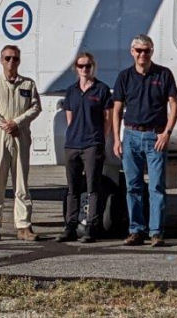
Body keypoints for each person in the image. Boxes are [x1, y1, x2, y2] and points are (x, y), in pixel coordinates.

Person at [112, 34, 177, 247]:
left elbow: (174, 105)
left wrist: (167, 132)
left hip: (155, 137)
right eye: (139, 50)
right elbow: (116, 110)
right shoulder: (124, 76)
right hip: (131, 135)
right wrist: (117, 138)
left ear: (152, 51)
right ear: (132, 52)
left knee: (156, 186)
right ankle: (136, 230)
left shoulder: (163, 74)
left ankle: (156, 232)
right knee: (133, 186)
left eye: (146, 50)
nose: (142, 54)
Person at [0, 45, 42, 242]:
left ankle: (24, 226)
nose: (11, 62)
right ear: (1, 60)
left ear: (19, 61)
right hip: (0, 135)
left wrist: (17, 122)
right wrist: (4, 124)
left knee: (21, 182)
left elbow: (35, 107)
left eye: (14, 59)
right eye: (7, 58)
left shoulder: (28, 84)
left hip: (20, 135)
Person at [58, 52, 113, 243]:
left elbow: (107, 119)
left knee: (92, 187)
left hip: (92, 144)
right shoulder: (71, 91)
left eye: (88, 66)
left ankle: (91, 226)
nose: (84, 69)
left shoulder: (102, 90)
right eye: (81, 66)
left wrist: (100, 140)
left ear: (93, 67)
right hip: (73, 144)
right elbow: (70, 118)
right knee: (73, 188)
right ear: (76, 68)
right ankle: (70, 226)